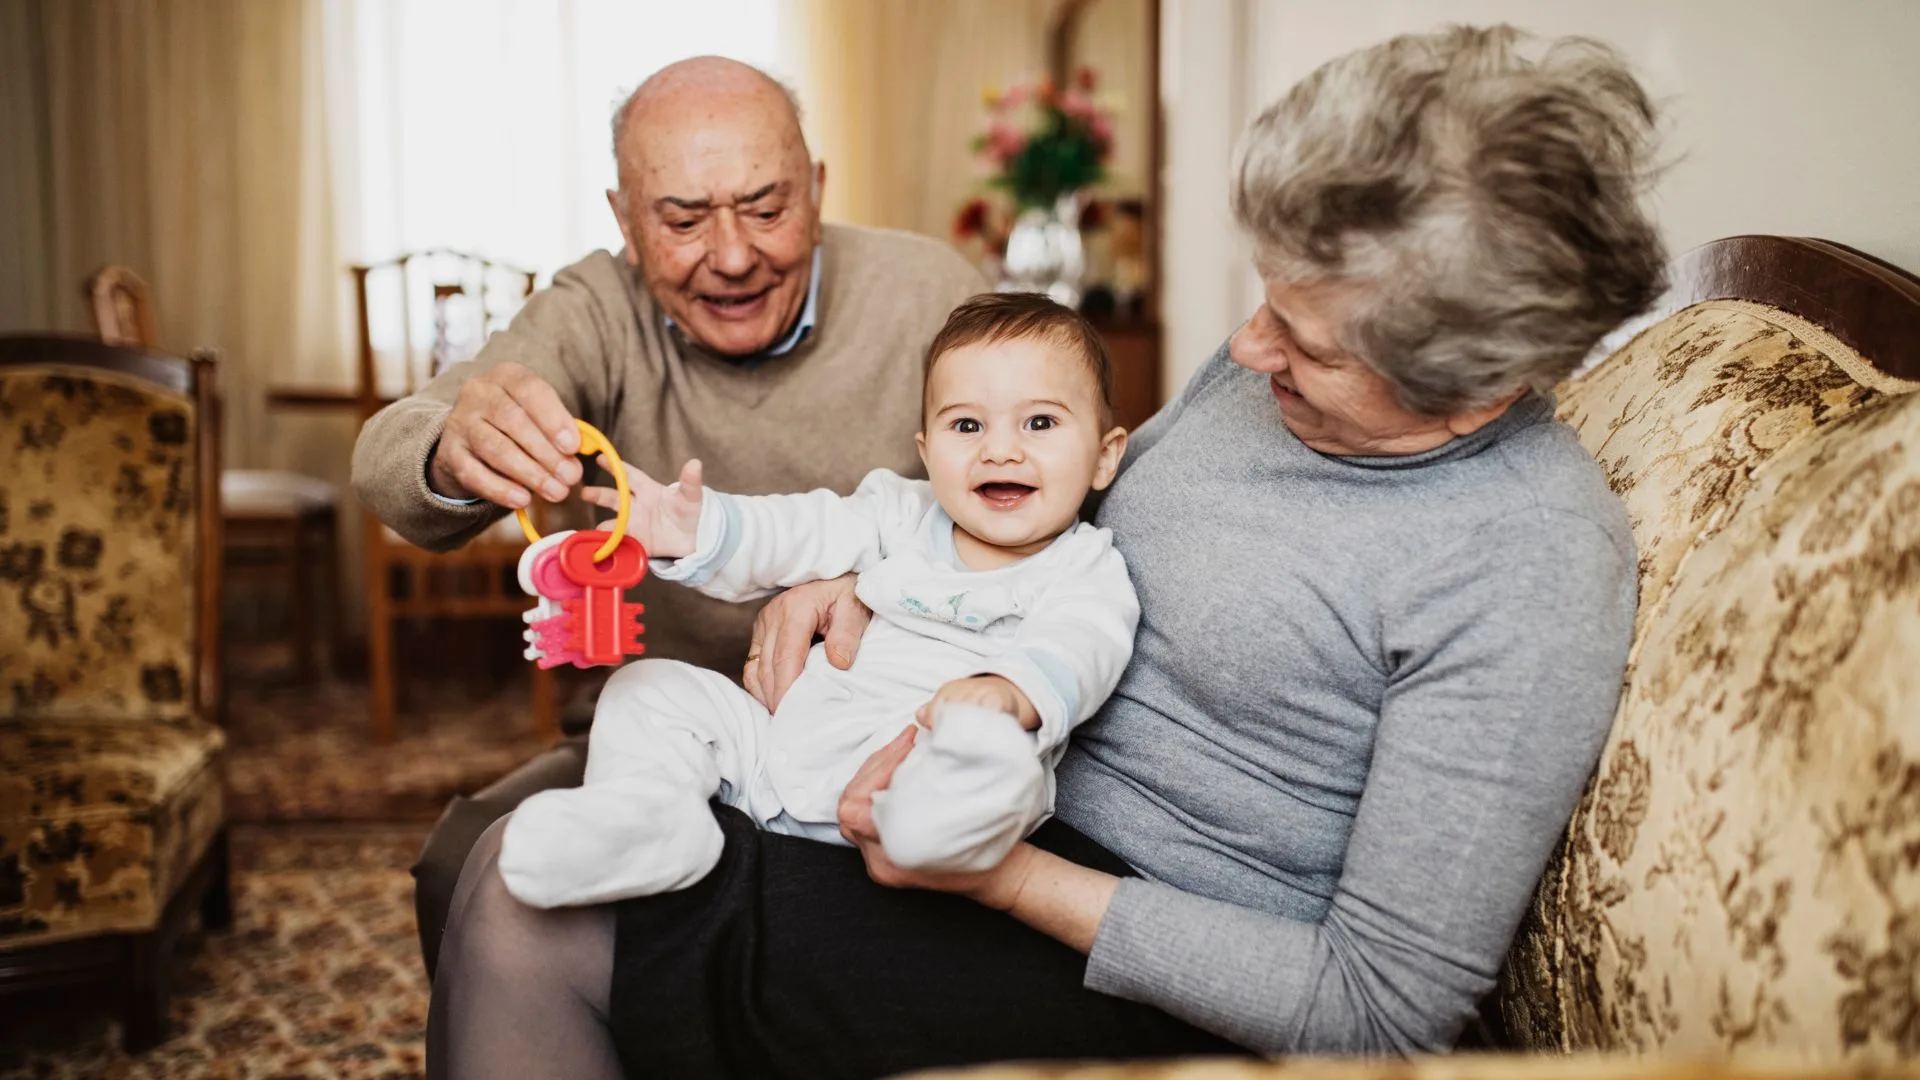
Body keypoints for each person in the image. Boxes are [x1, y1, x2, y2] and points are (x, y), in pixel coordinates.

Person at [425, 24, 1668, 1078]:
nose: (1244, 351)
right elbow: (1051, 530)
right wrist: (858, 577)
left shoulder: (1527, 565)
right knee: (511, 847)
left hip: (1114, 920)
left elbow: (1380, 1009)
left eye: (1308, 340)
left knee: (531, 918)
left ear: (1480, 381)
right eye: (1266, 297)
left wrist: (1006, 879)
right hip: (955, 776)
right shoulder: (1268, 390)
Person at [349, 57, 985, 972]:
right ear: (623, 220)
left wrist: (876, 581)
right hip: (656, 742)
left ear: (816, 188)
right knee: (466, 871)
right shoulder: (596, 309)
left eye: (767, 208)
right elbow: (388, 453)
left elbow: (1053, 489)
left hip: (885, 729)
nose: (731, 256)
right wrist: (455, 447)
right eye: (682, 220)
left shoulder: (931, 292)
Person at [498, 293, 1136, 908]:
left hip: (914, 774)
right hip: (776, 754)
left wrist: (1005, 693)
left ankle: (935, 833)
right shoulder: (900, 512)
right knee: (650, 689)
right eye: (966, 425)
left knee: (989, 762)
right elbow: (799, 529)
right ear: (926, 451)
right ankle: (653, 820)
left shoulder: (1087, 568)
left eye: (1041, 422)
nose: (1000, 449)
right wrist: (693, 529)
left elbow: (1081, 646)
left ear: (1105, 456)